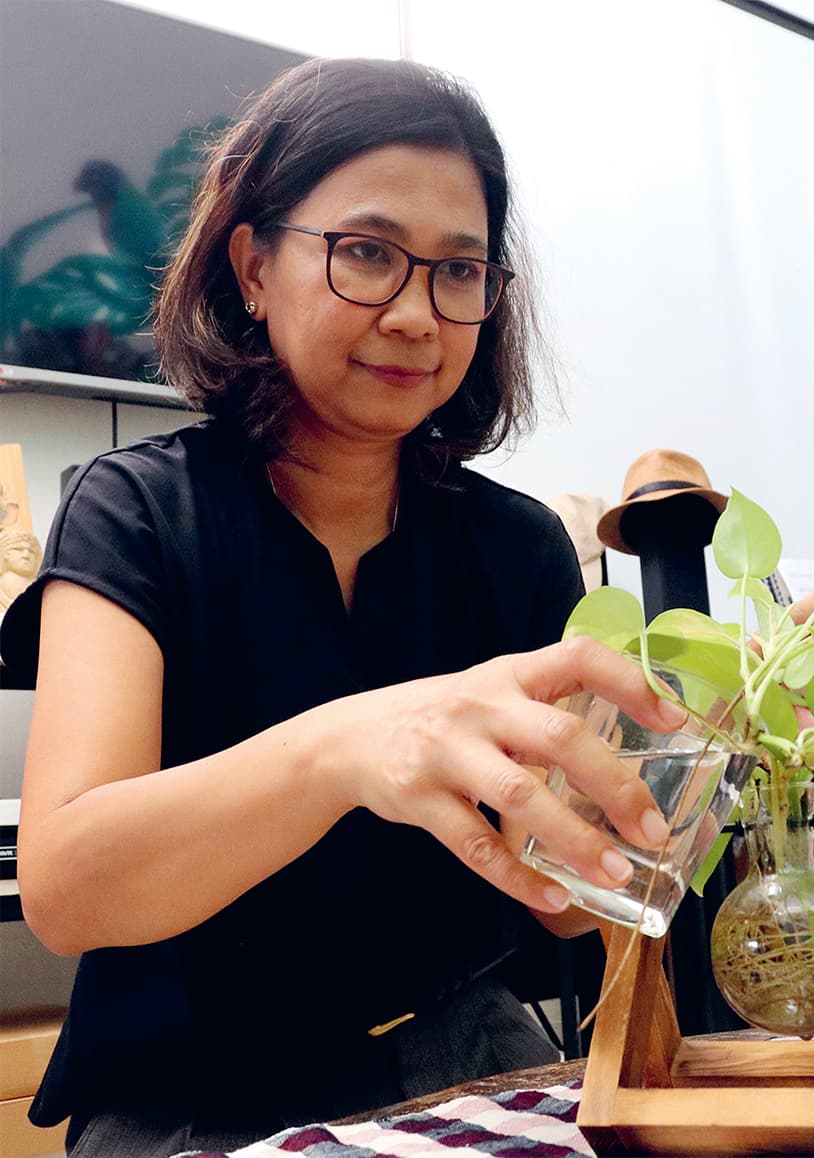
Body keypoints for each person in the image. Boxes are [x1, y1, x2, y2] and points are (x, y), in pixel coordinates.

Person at [0, 58, 681, 1157]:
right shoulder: (132, 510)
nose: (416, 315)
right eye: (367, 253)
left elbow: (564, 903)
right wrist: (346, 749)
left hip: (472, 1056)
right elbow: (69, 891)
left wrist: (669, 790)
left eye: (458, 272)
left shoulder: (517, 545)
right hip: (191, 1096)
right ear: (254, 264)